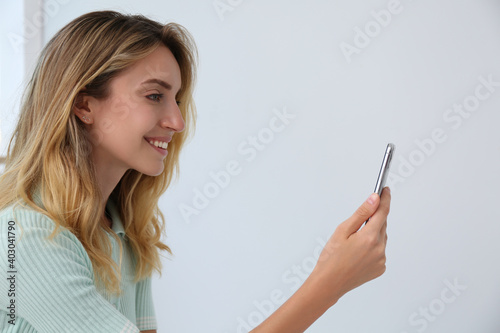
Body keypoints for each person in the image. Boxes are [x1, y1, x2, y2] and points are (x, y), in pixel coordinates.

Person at [0, 10, 390, 333]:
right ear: (84, 106)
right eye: (155, 95)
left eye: (177, 98)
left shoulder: (119, 231)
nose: (177, 121)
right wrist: (330, 282)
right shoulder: (28, 237)